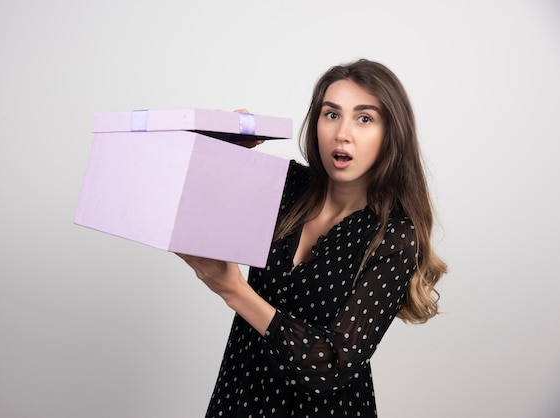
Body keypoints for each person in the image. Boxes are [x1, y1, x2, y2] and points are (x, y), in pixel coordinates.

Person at [178, 58, 447, 418]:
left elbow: (333, 364)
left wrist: (234, 291)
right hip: (239, 397)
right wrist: (219, 143)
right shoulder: (286, 185)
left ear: (390, 134)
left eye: (364, 118)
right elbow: (178, 193)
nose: (342, 133)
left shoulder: (396, 238)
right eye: (331, 114)